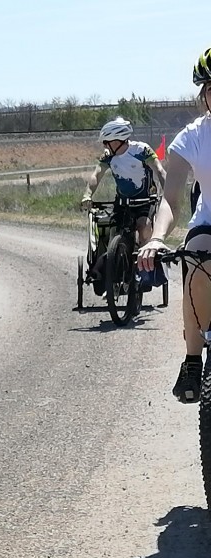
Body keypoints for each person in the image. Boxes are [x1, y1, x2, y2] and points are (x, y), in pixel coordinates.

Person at [138, 47, 211, 404]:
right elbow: (172, 199)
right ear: (203, 95)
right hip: (209, 224)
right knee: (195, 258)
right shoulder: (193, 137)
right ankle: (193, 359)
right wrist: (156, 238)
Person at [81, 116, 166, 289]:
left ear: (118, 140)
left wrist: (167, 194)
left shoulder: (142, 150)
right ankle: (117, 267)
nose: (105, 146)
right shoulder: (108, 156)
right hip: (123, 202)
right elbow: (96, 175)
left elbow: (159, 170)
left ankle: (146, 272)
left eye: (107, 142)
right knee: (113, 234)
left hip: (145, 201)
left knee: (144, 227)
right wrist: (87, 195)